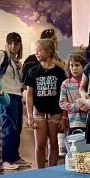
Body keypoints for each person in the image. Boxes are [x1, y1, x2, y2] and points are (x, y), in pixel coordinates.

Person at [25, 39, 68, 169]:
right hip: (39, 112)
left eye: (39, 50)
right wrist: (30, 116)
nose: (36, 53)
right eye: (36, 50)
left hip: (55, 113)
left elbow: (65, 95)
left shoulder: (60, 73)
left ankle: (52, 170)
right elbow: (29, 94)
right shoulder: (33, 71)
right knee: (40, 144)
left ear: (49, 51)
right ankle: (40, 171)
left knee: (54, 143)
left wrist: (64, 116)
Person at [0, 32, 31, 170]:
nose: (13, 46)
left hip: (17, 95)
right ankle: (5, 159)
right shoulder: (1, 55)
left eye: (16, 44)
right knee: (8, 128)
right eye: (10, 43)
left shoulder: (17, 62)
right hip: (6, 95)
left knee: (17, 129)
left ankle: (15, 157)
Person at [60, 53, 90, 143]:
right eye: (71, 65)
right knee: (75, 148)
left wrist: (89, 106)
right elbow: (62, 103)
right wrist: (78, 107)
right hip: (74, 122)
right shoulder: (65, 84)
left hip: (89, 121)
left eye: (77, 65)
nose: (74, 68)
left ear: (84, 66)